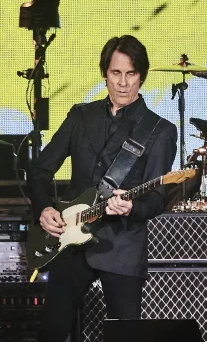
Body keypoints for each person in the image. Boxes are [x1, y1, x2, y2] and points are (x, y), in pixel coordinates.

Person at [28, 35, 178, 342]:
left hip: (121, 245)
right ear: (104, 73)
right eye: (115, 73)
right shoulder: (80, 116)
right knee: (53, 331)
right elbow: (40, 170)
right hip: (70, 242)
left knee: (125, 335)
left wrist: (132, 207)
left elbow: (155, 199)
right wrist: (44, 207)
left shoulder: (160, 130)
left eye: (131, 74)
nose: (123, 83)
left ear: (141, 76)